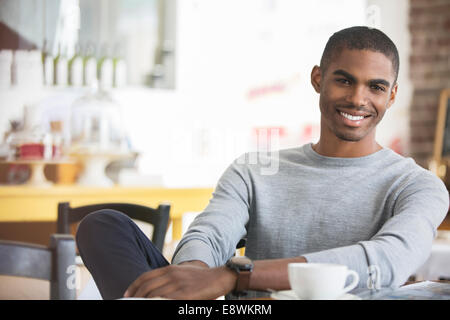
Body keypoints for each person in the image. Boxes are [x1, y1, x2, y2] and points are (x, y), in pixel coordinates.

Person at [76, 26, 449, 300]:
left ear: (392, 94)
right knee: (102, 225)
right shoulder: (255, 170)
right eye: (344, 80)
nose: (357, 98)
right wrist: (191, 275)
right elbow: (210, 233)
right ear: (318, 79)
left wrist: (238, 276)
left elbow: (388, 259)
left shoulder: (416, 185)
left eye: (376, 87)